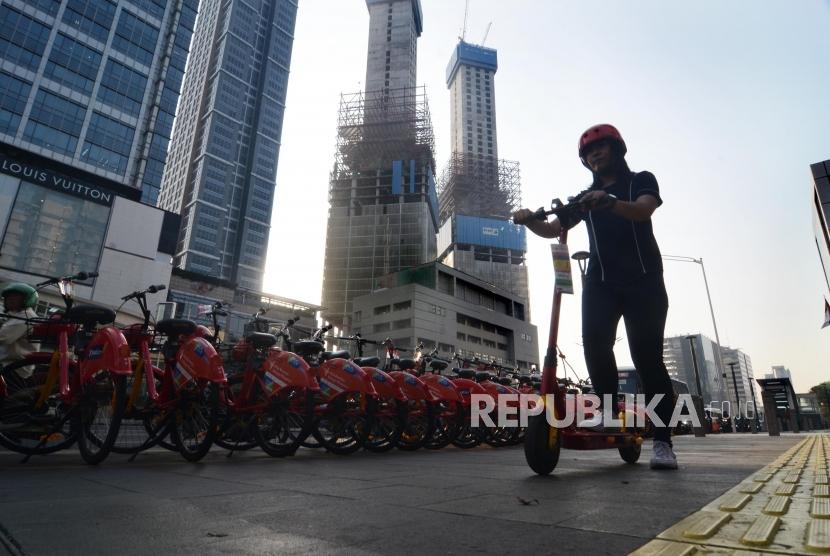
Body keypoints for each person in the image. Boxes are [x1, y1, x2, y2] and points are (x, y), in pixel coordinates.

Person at [513, 124, 678, 470]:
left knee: (648, 360)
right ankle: (606, 409)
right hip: (601, 282)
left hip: (644, 281)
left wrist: (610, 202)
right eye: (589, 153)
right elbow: (553, 229)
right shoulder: (584, 198)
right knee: (594, 342)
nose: (595, 155)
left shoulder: (639, 181)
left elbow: (644, 209)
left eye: (601, 148)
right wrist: (529, 220)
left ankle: (663, 442)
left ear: (617, 149)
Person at [0, 282, 40, 379]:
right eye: (8, 296)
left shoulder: (27, 316)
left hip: (14, 369)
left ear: (26, 299)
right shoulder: (16, 315)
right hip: (8, 364)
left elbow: (3, 337)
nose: (10, 299)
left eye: (15, 296)